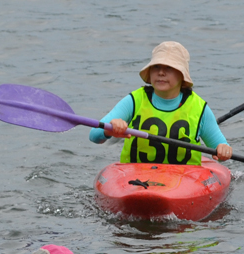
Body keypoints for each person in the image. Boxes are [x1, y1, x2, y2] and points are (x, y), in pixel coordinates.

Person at [90, 41, 233, 163]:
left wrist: (223, 150)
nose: (161, 73)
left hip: (183, 181)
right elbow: (94, 136)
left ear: (181, 75)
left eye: (169, 68)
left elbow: (219, 149)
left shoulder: (199, 108)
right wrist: (109, 129)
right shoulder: (133, 101)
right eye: (156, 67)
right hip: (135, 179)